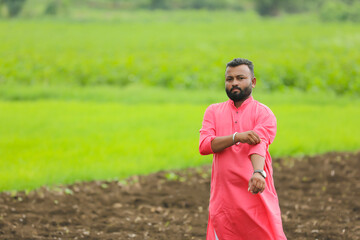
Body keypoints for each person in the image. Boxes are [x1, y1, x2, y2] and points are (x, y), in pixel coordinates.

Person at [199, 58, 287, 240]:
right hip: (223, 201)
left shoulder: (263, 113)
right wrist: (236, 137)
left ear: (253, 82)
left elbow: (259, 144)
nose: (234, 83)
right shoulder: (213, 111)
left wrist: (257, 173)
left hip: (255, 193)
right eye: (229, 79)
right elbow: (205, 145)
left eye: (240, 78)